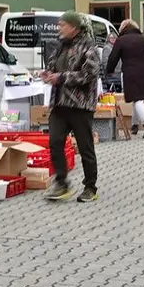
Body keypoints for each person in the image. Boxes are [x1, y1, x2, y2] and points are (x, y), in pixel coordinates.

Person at [38, 11, 101, 202]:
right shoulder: (60, 47)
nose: (59, 28)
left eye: (62, 25)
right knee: (55, 142)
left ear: (73, 27)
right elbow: (53, 67)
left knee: (85, 147)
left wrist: (62, 77)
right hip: (59, 104)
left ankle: (90, 187)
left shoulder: (88, 47)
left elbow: (90, 74)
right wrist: (48, 73)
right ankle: (62, 183)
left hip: (80, 106)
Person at [104, 19, 144, 139]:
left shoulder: (121, 40)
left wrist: (109, 70)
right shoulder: (143, 39)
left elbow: (113, 57)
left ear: (124, 28)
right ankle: (134, 126)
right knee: (137, 99)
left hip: (130, 73)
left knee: (137, 99)